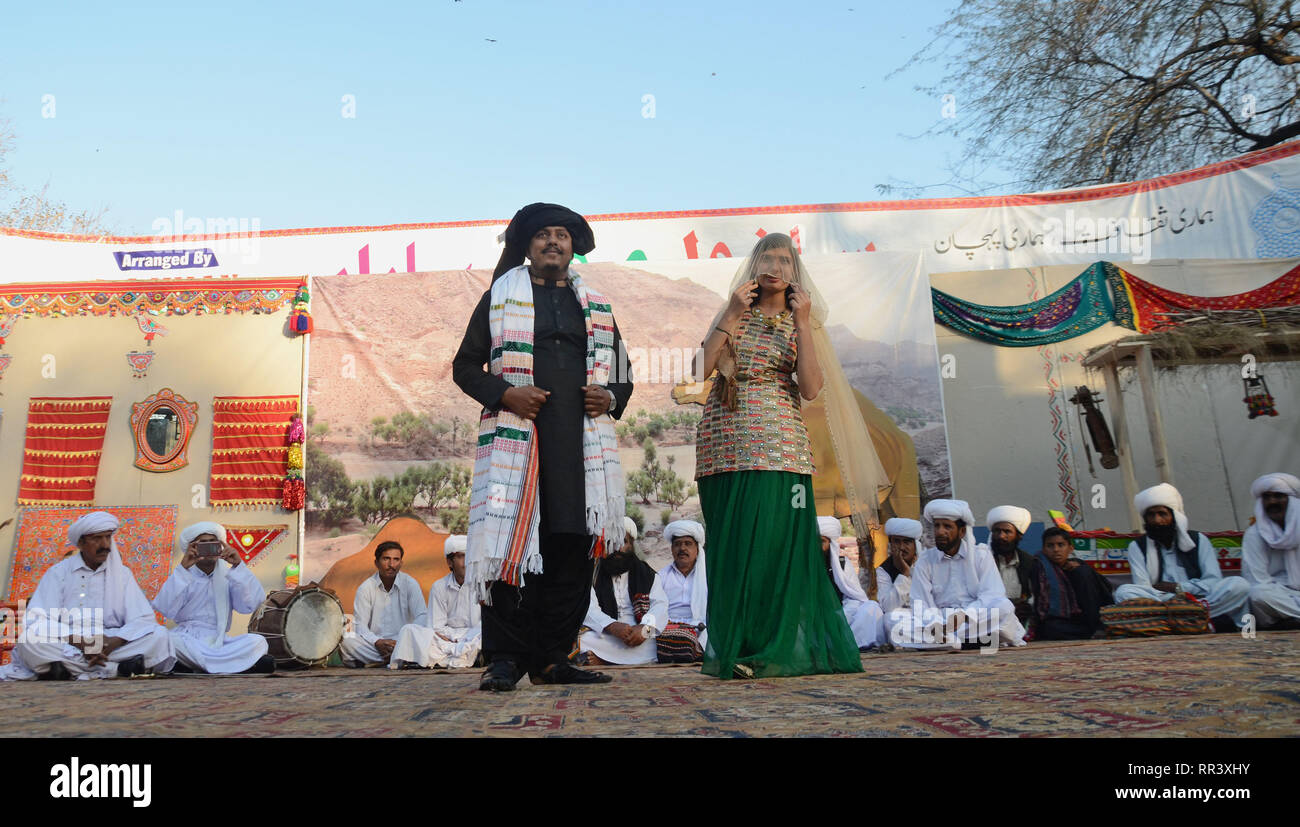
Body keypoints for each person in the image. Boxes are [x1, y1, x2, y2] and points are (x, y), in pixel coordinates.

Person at [454, 202, 634, 691]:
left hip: (579, 451)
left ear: (573, 247)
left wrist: (611, 395)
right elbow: (465, 368)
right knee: (513, 548)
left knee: (570, 548)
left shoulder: (595, 306)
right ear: (527, 247)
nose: (553, 242)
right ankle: (506, 660)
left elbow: (624, 375)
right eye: (543, 235)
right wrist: (506, 393)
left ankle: (553, 657)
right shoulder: (498, 298)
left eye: (562, 235)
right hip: (520, 446)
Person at [692, 233, 864, 679]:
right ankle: (737, 647)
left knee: (775, 546)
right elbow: (698, 371)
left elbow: (809, 388)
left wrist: (803, 322)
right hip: (722, 443)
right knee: (731, 549)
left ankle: (775, 647)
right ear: (753, 266)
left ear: (795, 272)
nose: (775, 266)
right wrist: (731, 312)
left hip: (780, 444)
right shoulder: (734, 312)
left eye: (785, 260)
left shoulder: (802, 320)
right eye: (766, 258)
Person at [3, 511, 174, 680]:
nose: (105, 545)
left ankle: (65, 669)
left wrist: (116, 640)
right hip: (68, 641)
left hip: (110, 641)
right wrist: (79, 641)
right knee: (28, 640)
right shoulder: (58, 573)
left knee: (159, 636)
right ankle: (118, 669)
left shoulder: (122, 574)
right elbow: (38, 619)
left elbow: (142, 618)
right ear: (81, 542)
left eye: (108, 537)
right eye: (97, 538)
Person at [1114, 483, 1250, 631]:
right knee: (1124, 592)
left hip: (1199, 600)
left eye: (1162, 514)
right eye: (1151, 515)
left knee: (1239, 585)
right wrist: (1172, 599)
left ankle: (1174, 621)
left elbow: (1212, 581)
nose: (1157, 520)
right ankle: (1198, 621)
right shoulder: (1138, 547)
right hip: (1163, 601)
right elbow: (1143, 587)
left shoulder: (1198, 540)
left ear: (1174, 516)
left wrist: (1179, 588)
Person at [151, 521, 274, 674]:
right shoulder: (184, 575)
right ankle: (240, 665)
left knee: (258, 641)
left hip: (219, 639)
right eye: (202, 543)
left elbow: (251, 604)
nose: (208, 547)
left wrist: (238, 566)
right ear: (193, 548)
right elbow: (165, 608)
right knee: (166, 640)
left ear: (220, 546)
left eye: (212, 543)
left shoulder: (230, 575)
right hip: (187, 639)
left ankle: (193, 665)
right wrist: (182, 569)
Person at [905, 499, 1027, 648]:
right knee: (894, 619)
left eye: (947, 526)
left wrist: (965, 615)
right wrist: (936, 624)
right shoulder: (925, 560)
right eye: (937, 526)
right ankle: (968, 641)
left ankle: (950, 641)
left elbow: (992, 595)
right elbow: (920, 601)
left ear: (962, 531)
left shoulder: (981, 555)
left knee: (1004, 607)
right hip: (941, 619)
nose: (940, 531)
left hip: (973, 618)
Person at [577, 518, 668, 666]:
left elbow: (660, 606)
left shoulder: (648, 575)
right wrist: (611, 626)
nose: (618, 548)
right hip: (607, 633)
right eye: (612, 543)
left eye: (623, 542)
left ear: (631, 545)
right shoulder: (593, 573)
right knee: (583, 639)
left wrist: (645, 629)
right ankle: (622, 659)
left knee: (662, 639)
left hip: (640, 633)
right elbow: (589, 607)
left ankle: (604, 660)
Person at [389, 535, 483, 669]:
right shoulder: (439, 586)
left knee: (488, 634)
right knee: (408, 630)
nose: (467, 562)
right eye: (462, 556)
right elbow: (436, 627)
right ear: (450, 562)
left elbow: (484, 624)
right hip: (444, 641)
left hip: (473, 637)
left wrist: (461, 638)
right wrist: (454, 639)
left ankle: (452, 657)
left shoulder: (482, 585)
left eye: (470, 556)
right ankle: (467, 657)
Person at [339, 541, 427, 667]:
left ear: (401, 563)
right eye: (386, 559)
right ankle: (399, 659)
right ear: (376, 562)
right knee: (346, 638)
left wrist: (401, 641)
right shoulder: (366, 588)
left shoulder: (410, 584)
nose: (392, 565)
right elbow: (360, 625)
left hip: (403, 642)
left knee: (428, 636)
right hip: (375, 644)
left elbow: (422, 616)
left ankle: (381, 660)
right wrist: (377, 642)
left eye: (396, 559)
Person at [1027, 527, 1115, 640]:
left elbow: (1103, 589)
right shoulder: (1039, 568)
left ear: (1070, 548)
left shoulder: (1079, 566)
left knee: (1082, 573)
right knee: (1050, 629)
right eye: (1050, 545)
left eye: (1060, 545)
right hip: (1060, 621)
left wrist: (1081, 569)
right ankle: (1090, 633)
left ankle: (1095, 629)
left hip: (1087, 618)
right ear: (1043, 549)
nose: (1056, 550)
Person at [1241, 473, 1300, 629]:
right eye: (1266, 497)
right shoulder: (1254, 534)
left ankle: (1290, 620)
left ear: (1292, 500)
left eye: (1278, 496)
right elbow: (1256, 579)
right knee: (1257, 594)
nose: (1272, 501)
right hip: (1279, 595)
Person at [819, 516, 885, 650]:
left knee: (872, 607)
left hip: (841, 619)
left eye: (821, 542)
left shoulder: (842, 565)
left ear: (830, 545)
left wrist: (841, 616)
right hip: (815, 621)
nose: (816, 546)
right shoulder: (800, 566)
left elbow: (854, 598)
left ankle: (848, 644)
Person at [656, 519, 709, 664]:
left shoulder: (709, 576)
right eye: (677, 544)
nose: (682, 549)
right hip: (669, 629)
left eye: (688, 544)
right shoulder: (661, 577)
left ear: (697, 549)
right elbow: (655, 609)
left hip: (702, 628)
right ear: (672, 549)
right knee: (645, 636)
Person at [985, 505, 1036, 624]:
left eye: (1007, 531)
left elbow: (1034, 596)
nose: (1001, 536)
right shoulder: (984, 561)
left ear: (1019, 535)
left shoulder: (1028, 562)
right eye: (997, 531)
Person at [873, 517, 922, 616]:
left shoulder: (926, 565)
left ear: (915, 545)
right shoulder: (883, 570)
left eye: (906, 542)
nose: (901, 547)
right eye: (896, 541)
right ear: (890, 544)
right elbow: (888, 607)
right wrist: (904, 574)